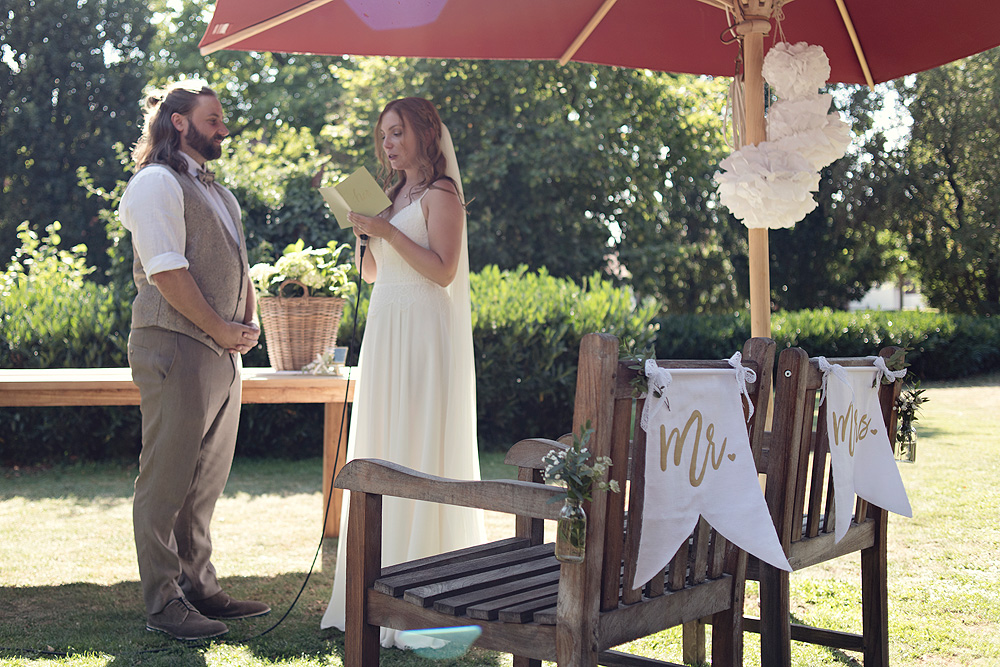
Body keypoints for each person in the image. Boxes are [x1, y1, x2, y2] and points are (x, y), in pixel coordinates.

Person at [320, 98, 487, 646]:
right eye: (383, 135)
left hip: (423, 335)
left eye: (397, 132)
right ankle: (374, 591)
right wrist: (365, 233)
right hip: (386, 332)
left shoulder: (443, 195)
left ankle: (425, 600)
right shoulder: (392, 197)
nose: (388, 143)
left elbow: (441, 270)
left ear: (424, 133)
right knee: (383, 447)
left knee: (417, 448)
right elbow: (371, 273)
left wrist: (387, 233)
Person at [119, 79, 270, 641]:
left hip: (219, 352)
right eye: (213, 119)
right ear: (178, 122)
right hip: (175, 345)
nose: (223, 128)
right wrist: (220, 328)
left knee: (204, 480)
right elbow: (167, 271)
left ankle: (199, 588)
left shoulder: (218, 191)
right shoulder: (156, 182)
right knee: (166, 480)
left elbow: (239, 265)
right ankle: (163, 602)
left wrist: (244, 325)